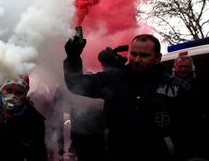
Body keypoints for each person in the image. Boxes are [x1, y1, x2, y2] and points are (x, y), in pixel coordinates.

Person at [64, 33, 203, 161]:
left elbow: (193, 129)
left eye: (144, 55)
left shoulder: (177, 87)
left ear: (158, 58)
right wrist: (73, 58)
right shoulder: (114, 79)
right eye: (133, 54)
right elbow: (76, 84)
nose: (136, 59)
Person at [0, 75, 48, 161]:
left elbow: (38, 154)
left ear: (25, 94)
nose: (12, 97)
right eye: (8, 90)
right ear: (2, 90)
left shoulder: (35, 120)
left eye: (19, 93)